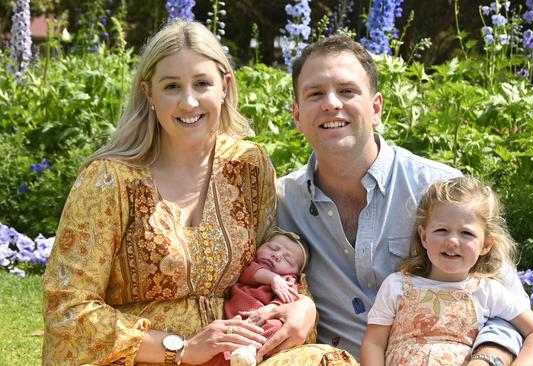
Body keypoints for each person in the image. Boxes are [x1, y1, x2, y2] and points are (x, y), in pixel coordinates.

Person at [42, 20, 330, 366]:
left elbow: (272, 254)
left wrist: (303, 306)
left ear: (225, 87)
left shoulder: (247, 165)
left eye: (202, 83)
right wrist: (181, 348)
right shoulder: (109, 181)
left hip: (238, 351)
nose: (189, 101)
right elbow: (68, 309)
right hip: (141, 358)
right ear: (148, 92)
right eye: (172, 86)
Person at [276, 34, 529, 365]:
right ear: (297, 116)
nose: (331, 104)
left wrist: (487, 361)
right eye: (315, 94)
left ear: (376, 108)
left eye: (347, 91)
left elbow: (508, 309)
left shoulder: (440, 191)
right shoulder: (282, 202)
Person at [360, 176, 533, 366]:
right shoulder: (396, 286)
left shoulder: (487, 291)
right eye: (442, 230)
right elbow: (374, 343)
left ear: (485, 244)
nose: (452, 241)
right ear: (424, 236)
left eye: (466, 233)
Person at [206, 230, 309, 366]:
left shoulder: (288, 281)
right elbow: (247, 273)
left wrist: (273, 307)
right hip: (236, 316)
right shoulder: (252, 265)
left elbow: (288, 300)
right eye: (272, 248)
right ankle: (232, 355)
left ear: (295, 273)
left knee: (277, 328)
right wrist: (273, 278)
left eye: (287, 259)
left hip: (264, 321)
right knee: (224, 335)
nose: (277, 255)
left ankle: (251, 352)